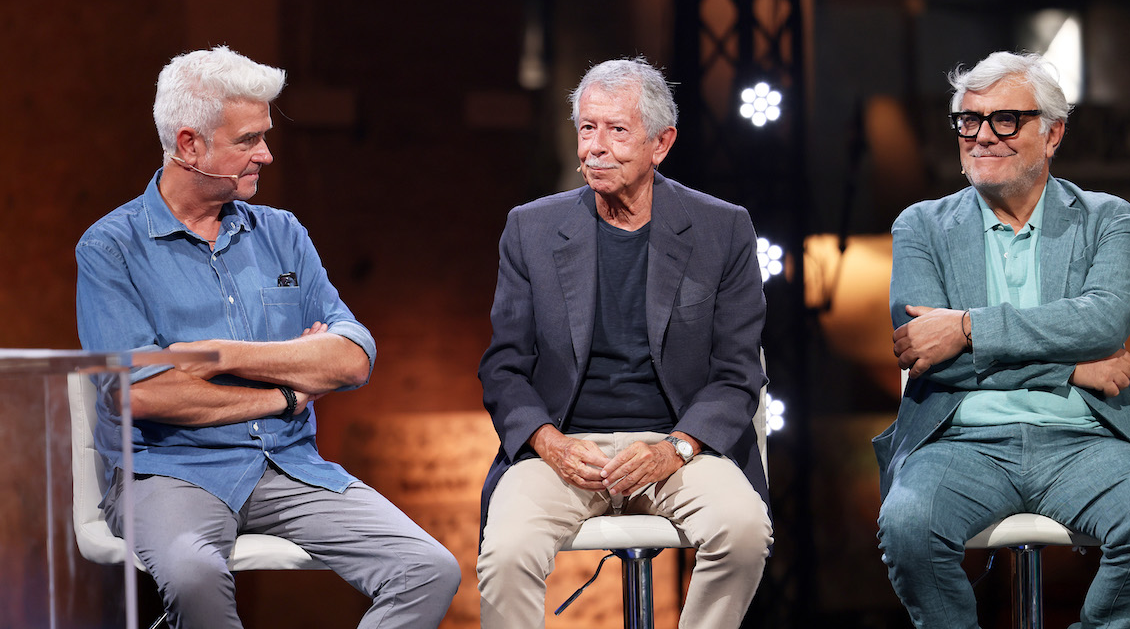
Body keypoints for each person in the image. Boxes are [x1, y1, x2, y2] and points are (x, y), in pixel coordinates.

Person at [75, 46, 459, 629]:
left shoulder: (283, 234)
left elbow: (353, 359)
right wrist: (286, 390)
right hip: (169, 471)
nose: (267, 153)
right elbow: (142, 396)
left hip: (288, 465)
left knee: (429, 567)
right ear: (189, 146)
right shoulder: (110, 249)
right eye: (248, 140)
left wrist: (222, 357)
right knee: (194, 575)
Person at [875, 51, 1130, 629]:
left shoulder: (1108, 219)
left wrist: (967, 327)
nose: (982, 136)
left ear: (1052, 135)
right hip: (959, 439)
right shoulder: (920, 225)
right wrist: (1070, 370)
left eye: (1006, 120)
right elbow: (927, 358)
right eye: (969, 121)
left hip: (1087, 438)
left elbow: (1102, 324)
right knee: (909, 528)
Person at [476, 57, 773, 628]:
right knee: (507, 552)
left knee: (742, 531)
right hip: (565, 450)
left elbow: (738, 373)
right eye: (587, 128)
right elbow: (504, 368)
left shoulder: (722, 229)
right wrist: (548, 443)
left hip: (678, 448)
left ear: (661, 144)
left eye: (616, 130)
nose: (595, 147)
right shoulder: (530, 229)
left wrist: (676, 447)